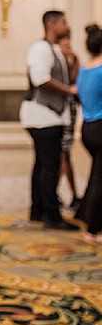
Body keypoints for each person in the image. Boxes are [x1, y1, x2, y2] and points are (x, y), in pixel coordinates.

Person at [19, 10, 79, 230]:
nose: (67, 25)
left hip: (51, 116)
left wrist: (73, 60)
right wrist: (69, 90)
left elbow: (67, 77)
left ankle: (38, 211)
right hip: (42, 116)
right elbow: (40, 79)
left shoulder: (55, 50)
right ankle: (52, 216)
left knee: (42, 165)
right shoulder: (40, 49)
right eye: (64, 21)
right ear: (52, 24)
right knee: (50, 167)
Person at [75, 24, 102, 242]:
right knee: (99, 179)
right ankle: (92, 230)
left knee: (96, 176)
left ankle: (86, 218)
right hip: (100, 128)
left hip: (88, 128)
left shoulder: (84, 69)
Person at [58, 29, 81, 211]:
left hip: (69, 113)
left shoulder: (73, 61)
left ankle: (72, 195)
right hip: (59, 114)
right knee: (61, 156)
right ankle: (57, 193)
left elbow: (75, 84)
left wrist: (75, 61)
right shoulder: (56, 61)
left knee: (65, 154)